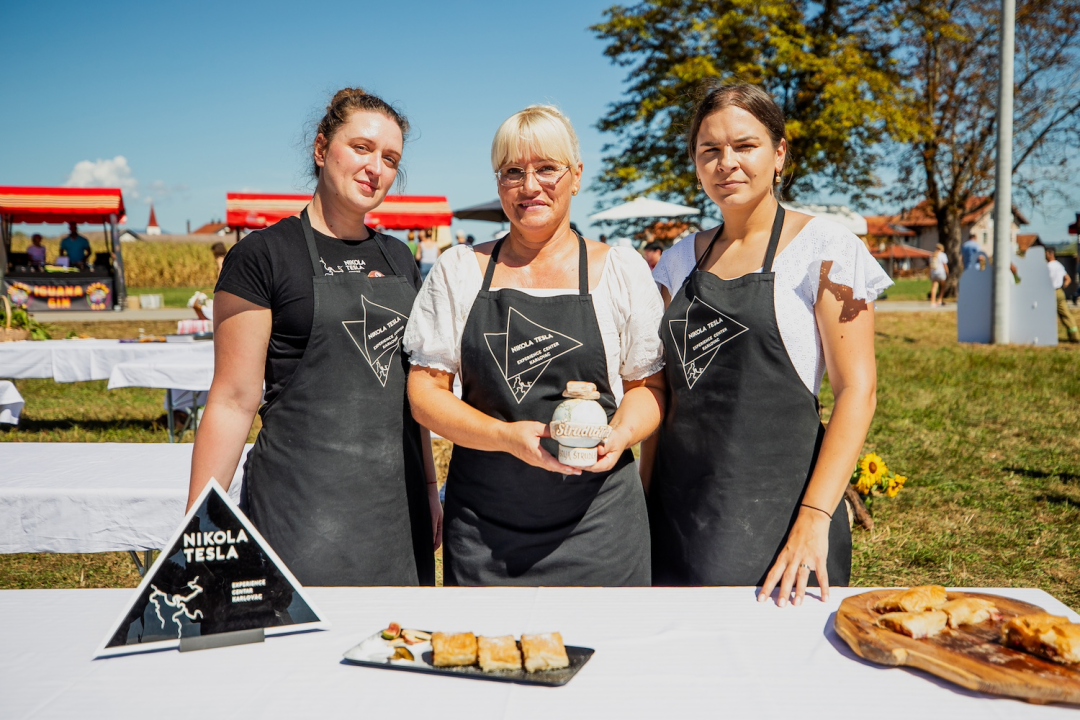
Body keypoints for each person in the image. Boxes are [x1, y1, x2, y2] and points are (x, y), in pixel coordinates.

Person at [645, 83, 891, 605]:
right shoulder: (676, 260)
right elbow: (658, 389)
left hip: (780, 521)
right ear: (695, 163)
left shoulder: (826, 252)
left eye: (745, 146)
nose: (726, 162)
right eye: (709, 150)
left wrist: (814, 519)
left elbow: (857, 392)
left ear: (780, 154)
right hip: (676, 509)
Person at [405, 105, 665, 586]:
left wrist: (622, 434)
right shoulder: (459, 269)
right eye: (513, 172)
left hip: (601, 527)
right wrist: (507, 438)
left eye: (547, 168)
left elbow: (648, 387)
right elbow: (425, 395)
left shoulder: (621, 270)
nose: (530, 186)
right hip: (485, 531)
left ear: (576, 175)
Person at [188, 87, 438, 587]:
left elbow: (414, 387)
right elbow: (233, 400)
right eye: (362, 148)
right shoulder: (263, 256)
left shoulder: (399, 258)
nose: (376, 168)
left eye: (390, 159)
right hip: (301, 507)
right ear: (322, 149)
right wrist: (199, 526)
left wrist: (430, 487)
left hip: (396, 505)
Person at [1046, 247, 1079, 343]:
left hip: (1050, 292)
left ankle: (1047, 337)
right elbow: (1068, 279)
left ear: (1050, 254)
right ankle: (1074, 336)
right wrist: (1061, 288)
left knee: (1047, 315)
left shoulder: (1048, 267)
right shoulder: (1058, 265)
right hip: (1059, 292)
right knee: (1066, 315)